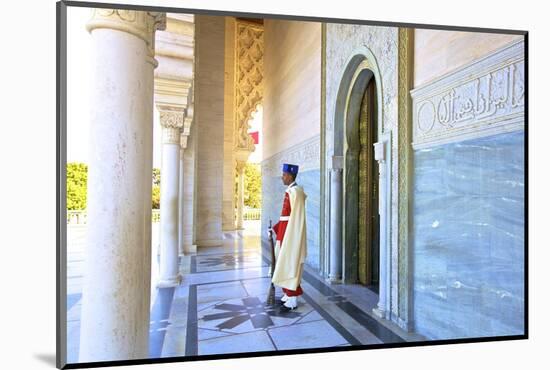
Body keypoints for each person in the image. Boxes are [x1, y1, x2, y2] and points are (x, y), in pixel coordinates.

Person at [269, 163, 307, 310]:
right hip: (284, 233)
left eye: (284, 175)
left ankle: (292, 298)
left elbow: (295, 219)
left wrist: (290, 236)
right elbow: (286, 217)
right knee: (281, 262)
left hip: (291, 235)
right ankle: (287, 293)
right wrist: (276, 229)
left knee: (289, 263)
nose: (282, 177)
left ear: (290, 176)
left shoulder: (296, 192)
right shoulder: (290, 191)